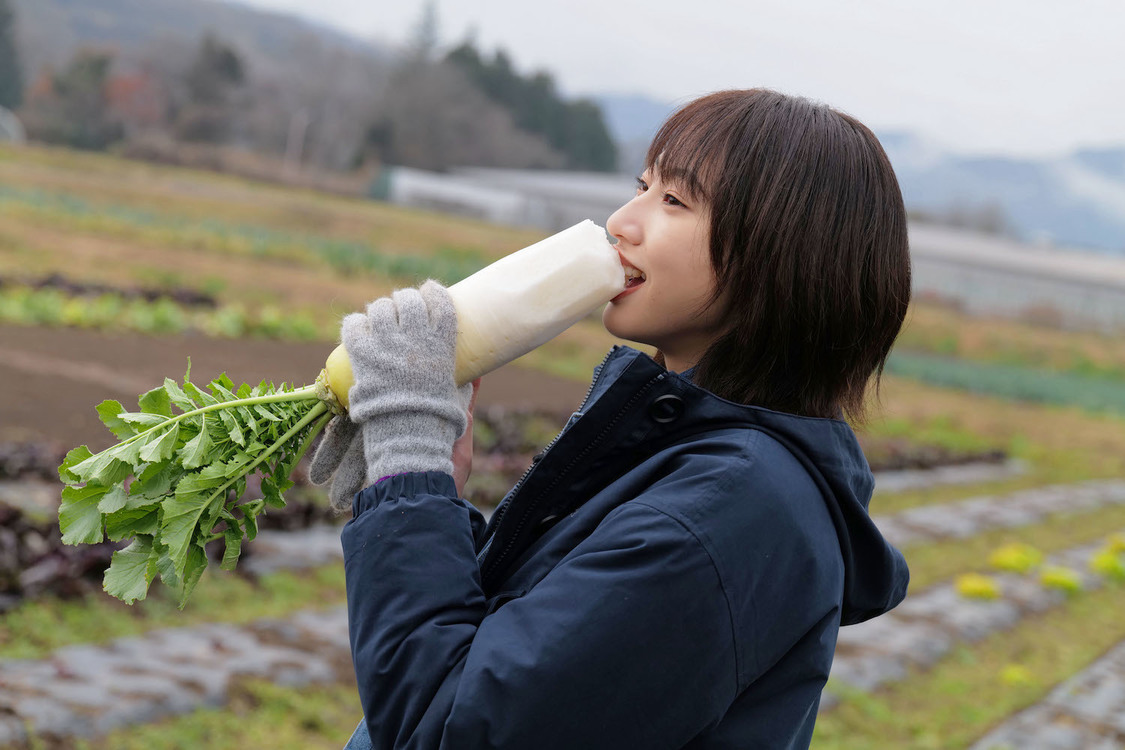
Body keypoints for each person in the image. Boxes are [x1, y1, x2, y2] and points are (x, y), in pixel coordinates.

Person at [310, 88, 912, 750]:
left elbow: (451, 729)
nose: (622, 221)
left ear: (781, 257)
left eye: (674, 201)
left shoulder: (720, 516)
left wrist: (411, 476)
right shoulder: (693, 464)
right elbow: (503, 661)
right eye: (642, 186)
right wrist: (420, 489)